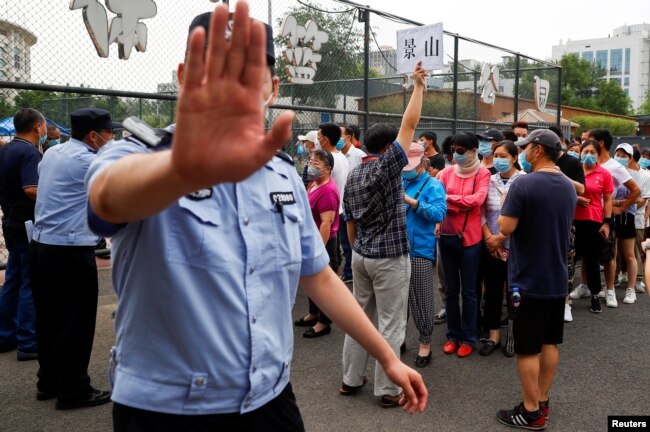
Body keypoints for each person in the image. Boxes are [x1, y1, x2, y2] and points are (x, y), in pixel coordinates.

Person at [86, 5, 427, 430]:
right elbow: (107, 201)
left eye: (248, 72)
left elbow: (318, 276)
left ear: (272, 87)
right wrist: (182, 169)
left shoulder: (282, 174)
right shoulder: (138, 156)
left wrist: (387, 356)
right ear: (183, 76)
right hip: (167, 409)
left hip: (268, 396)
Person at [341, 62, 427, 408]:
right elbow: (410, 123)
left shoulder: (354, 175)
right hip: (389, 259)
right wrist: (418, 87)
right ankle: (388, 389)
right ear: (390, 146)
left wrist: (354, 251)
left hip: (361, 254)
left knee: (359, 320)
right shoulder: (387, 166)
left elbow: (350, 221)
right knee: (391, 324)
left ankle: (350, 380)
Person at [29, 108, 118, 410]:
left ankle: (49, 381)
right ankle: (74, 390)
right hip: (69, 250)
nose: (113, 138)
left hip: (41, 247)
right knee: (76, 322)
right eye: (109, 134)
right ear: (94, 136)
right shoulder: (88, 162)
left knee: (49, 318)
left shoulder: (53, 154)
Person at [493, 129, 577, 430]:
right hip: (557, 275)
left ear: (538, 150)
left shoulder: (523, 184)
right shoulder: (568, 186)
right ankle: (541, 401)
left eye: (526, 147)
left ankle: (530, 412)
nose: (524, 152)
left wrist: (506, 200)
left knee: (528, 348)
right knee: (550, 341)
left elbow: (505, 226)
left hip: (528, 277)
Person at [436, 132, 490, 358]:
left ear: (473, 151)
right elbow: (437, 200)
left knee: (469, 291)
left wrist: (450, 200)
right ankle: (452, 335)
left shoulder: (483, 173)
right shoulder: (445, 173)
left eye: (461, 150)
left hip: (470, 240)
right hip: (447, 237)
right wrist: (458, 203)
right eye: (454, 150)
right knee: (451, 290)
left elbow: (478, 200)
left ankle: (469, 337)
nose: (455, 154)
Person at [0, 108, 44, 361]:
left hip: (11, 219)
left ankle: (5, 335)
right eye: (44, 125)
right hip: (27, 222)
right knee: (30, 280)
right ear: (37, 127)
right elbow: (31, 189)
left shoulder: (6, 149)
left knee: (13, 279)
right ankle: (28, 342)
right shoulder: (28, 152)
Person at [402, 143, 446, 367]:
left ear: (423, 161)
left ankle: (425, 342)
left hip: (420, 248)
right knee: (397, 299)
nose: (407, 169)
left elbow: (439, 213)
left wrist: (414, 203)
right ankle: (398, 337)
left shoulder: (433, 184)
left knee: (421, 297)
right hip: (396, 248)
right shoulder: (398, 180)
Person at [480, 140, 523, 356]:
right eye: (496, 155)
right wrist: (490, 238)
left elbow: (526, 215)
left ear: (515, 158)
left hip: (516, 245)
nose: (498, 159)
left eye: (504, 156)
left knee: (515, 290)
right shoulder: (487, 179)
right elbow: (481, 212)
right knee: (493, 289)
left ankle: (513, 335)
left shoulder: (524, 181)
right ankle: (493, 335)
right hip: (491, 245)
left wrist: (502, 236)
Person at [589, 129, 640, 307]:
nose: (586, 145)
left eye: (591, 141)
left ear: (600, 143)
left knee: (610, 255)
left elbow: (636, 191)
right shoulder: (589, 163)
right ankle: (588, 287)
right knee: (590, 255)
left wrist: (622, 207)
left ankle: (612, 290)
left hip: (607, 217)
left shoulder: (615, 167)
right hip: (588, 216)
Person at [295, 149, 340, 338]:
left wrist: (319, 249)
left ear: (327, 169)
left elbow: (326, 222)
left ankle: (324, 322)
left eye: (316, 164)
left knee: (323, 285)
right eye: (311, 161)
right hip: (311, 239)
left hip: (324, 242)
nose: (311, 165)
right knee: (312, 281)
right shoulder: (314, 183)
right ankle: (313, 314)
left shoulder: (328, 191)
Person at [569, 140, 613, 314]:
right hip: (571, 219)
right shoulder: (574, 170)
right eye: (585, 151)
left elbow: (608, 199)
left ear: (598, 154)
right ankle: (564, 299)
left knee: (592, 260)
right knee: (569, 260)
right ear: (580, 153)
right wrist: (577, 199)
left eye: (592, 152)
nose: (588, 155)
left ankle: (595, 295)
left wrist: (607, 222)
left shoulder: (604, 174)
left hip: (593, 221)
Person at [611, 143, 643, 304]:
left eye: (624, 156)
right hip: (611, 218)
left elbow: (638, 199)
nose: (620, 158)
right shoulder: (609, 173)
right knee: (612, 254)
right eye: (618, 155)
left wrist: (618, 203)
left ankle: (631, 289)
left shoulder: (634, 176)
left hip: (627, 218)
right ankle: (609, 287)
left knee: (629, 255)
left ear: (630, 158)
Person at [339, 125, 366, 283]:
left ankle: (352, 272)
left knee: (353, 239)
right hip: (340, 205)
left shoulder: (358, 155)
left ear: (349, 137)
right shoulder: (336, 155)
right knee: (345, 241)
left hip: (355, 205)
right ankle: (349, 271)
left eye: (341, 135)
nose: (338, 139)